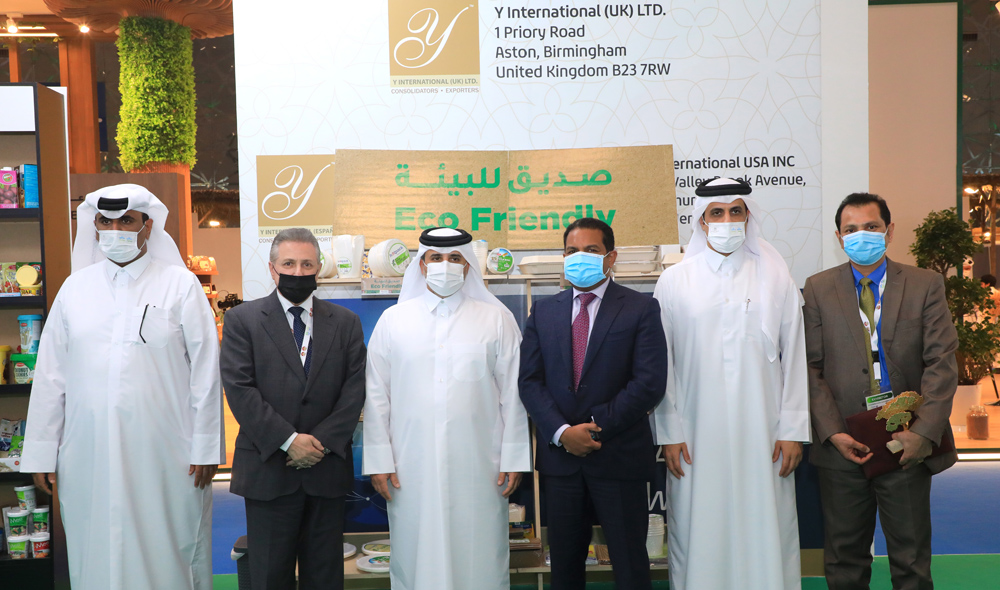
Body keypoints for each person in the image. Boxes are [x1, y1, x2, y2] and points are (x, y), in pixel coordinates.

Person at [20, 184, 223, 590]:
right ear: (93, 225)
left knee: (169, 547)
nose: (114, 230)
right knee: (95, 547)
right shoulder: (75, 290)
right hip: (87, 452)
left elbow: (206, 371)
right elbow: (50, 376)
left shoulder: (180, 285)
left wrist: (206, 446)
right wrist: (42, 450)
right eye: (105, 221)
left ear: (147, 226)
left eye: (126, 221)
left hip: (166, 452)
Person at [651, 177, 811, 590]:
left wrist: (793, 430)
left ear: (748, 216)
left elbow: (795, 356)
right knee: (699, 527)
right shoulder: (674, 282)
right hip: (694, 434)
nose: (727, 220)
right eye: (717, 213)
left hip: (765, 432)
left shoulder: (775, 276)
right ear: (701, 221)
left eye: (735, 211)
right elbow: (662, 365)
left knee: (766, 524)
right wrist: (669, 432)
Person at [803, 192, 958, 590]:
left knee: (911, 562)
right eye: (851, 229)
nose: (861, 235)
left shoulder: (925, 285)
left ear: (888, 232)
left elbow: (941, 363)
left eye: (871, 227)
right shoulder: (818, 289)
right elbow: (810, 367)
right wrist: (832, 433)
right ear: (839, 238)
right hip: (843, 444)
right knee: (844, 562)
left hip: (905, 442)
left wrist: (922, 433)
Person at [363, 227, 531, 590]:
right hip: (409, 466)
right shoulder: (394, 321)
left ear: (468, 265)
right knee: (415, 553)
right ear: (422, 265)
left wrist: (514, 458)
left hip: (480, 467)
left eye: (455, 258)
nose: (445, 265)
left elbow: (514, 395)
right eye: (436, 258)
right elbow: (376, 396)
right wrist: (378, 461)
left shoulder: (496, 320)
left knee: (479, 554)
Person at [519, 217, 667, 590]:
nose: (579, 257)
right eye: (572, 251)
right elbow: (529, 381)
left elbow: (649, 383)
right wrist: (562, 432)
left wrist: (594, 428)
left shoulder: (640, 308)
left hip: (618, 458)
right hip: (561, 463)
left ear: (610, 257)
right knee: (565, 570)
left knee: (631, 567)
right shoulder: (544, 311)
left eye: (591, 250)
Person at [221, 228, 366, 590]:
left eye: (306, 264)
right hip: (269, 470)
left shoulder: (345, 323)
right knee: (269, 577)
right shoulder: (242, 320)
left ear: (319, 268)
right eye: (288, 264)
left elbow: (354, 390)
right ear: (272, 269)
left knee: (326, 577)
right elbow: (239, 389)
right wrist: (288, 440)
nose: (297, 272)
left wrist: (318, 443)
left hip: (326, 470)